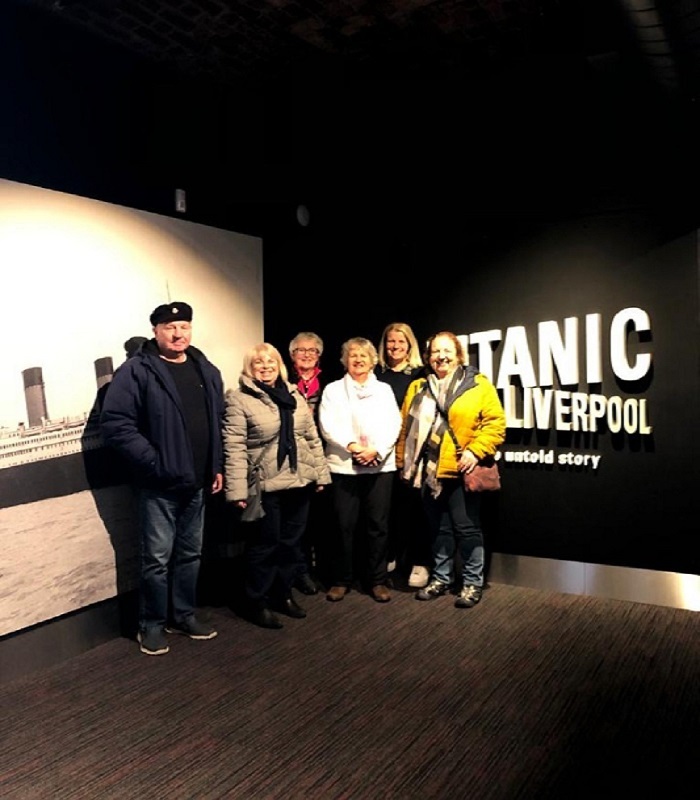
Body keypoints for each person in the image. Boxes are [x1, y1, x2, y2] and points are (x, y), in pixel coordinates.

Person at [100, 301, 224, 655]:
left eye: (184, 325)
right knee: (156, 558)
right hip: (159, 486)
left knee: (190, 554)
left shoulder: (205, 368)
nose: (178, 332)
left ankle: (183, 615)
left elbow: (216, 420)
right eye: (170, 327)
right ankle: (151, 624)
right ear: (156, 330)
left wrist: (215, 465)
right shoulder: (137, 370)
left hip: (198, 481)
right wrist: (155, 464)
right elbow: (116, 424)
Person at [223, 343, 331, 629]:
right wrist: (236, 492)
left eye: (271, 361)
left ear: (280, 365)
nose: (266, 366)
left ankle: (282, 595)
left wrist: (321, 475)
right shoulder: (239, 399)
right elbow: (233, 448)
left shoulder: (292, 395)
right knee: (264, 546)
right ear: (250, 367)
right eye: (259, 362)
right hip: (265, 486)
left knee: (290, 544)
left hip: (299, 481)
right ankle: (255, 600)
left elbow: (311, 438)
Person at [397, 331, 506, 609]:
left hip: (460, 469)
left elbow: (495, 424)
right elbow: (404, 429)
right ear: (428, 356)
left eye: (447, 351)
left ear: (458, 354)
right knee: (439, 529)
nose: (441, 356)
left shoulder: (478, 384)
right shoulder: (418, 387)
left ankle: (471, 583)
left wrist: (474, 450)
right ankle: (442, 577)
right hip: (427, 472)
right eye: (435, 352)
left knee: (467, 529)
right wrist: (402, 463)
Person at [319, 337, 402, 603]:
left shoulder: (385, 390)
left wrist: (375, 450)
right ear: (345, 360)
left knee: (378, 526)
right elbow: (327, 424)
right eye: (352, 355)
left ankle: (376, 580)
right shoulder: (333, 390)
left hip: (380, 466)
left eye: (363, 355)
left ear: (372, 360)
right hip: (344, 466)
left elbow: (394, 424)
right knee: (343, 525)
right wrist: (353, 446)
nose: (358, 360)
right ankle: (342, 579)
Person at [375, 321, 431, 589]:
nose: (395, 346)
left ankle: (419, 562)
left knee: (416, 509)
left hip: (412, 452)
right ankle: (390, 556)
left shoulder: (421, 374)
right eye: (390, 342)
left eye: (401, 342)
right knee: (387, 510)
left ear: (410, 345)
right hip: (380, 453)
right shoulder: (375, 373)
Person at [287, 331, 327, 595]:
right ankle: (297, 572)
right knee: (294, 522)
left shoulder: (332, 382)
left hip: (324, 457)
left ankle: (319, 570)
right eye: (301, 350)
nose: (307, 355)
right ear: (292, 355)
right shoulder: (281, 379)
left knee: (320, 520)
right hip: (292, 459)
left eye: (312, 351)